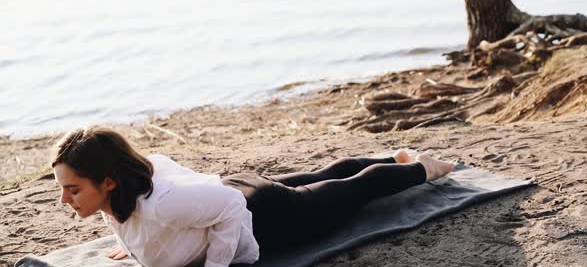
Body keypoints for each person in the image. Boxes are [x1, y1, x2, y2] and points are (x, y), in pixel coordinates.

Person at [52, 126, 455, 267]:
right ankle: (394, 155)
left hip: (265, 213)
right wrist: (133, 242)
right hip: (231, 187)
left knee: (352, 191)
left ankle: (424, 167)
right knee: (323, 175)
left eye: (73, 190)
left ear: (108, 181)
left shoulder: (159, 206)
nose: (65, 201)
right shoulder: (118, 198)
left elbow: (229, 209)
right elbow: (160, 172)